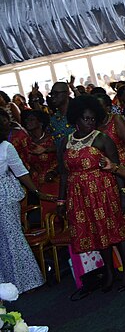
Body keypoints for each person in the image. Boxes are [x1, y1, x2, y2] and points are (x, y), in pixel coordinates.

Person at [58, 95, 125, 292]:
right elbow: (64, 174)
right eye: (85, 119)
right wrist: (61, 202)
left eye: (92, 118)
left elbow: (117, 168)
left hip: (104, 192)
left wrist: (123, 195)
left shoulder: (102, 139)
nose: (90, 122)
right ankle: (108, 271)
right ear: (76, 119)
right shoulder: (65, 141)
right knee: (96, 235)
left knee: (116, 232)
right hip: (79, 195)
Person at [0, 108, 46, 293]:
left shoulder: (6, 147)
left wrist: (37, 192)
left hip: (4, 198)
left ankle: (25, 281)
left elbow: (21, 172)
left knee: (12, 239)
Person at [95, 93, 125, 164]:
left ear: (108, 108)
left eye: (99, 107)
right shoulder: (91, 124)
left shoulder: (116, 120)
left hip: (121, 164)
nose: (95, 110)